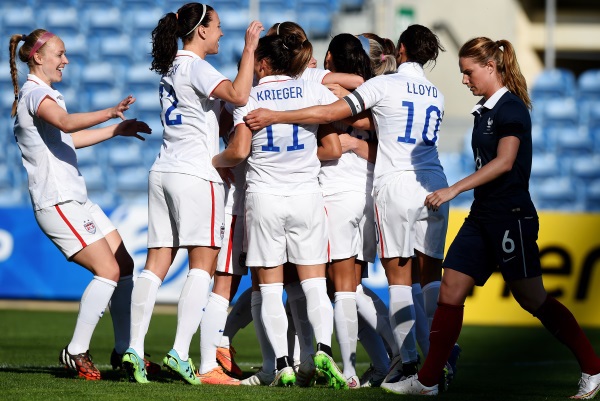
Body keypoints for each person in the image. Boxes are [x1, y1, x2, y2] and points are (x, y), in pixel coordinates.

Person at [380, 37, 600, 398]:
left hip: (510, 217)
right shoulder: (484, 110)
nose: (465, 80)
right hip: (483, 215)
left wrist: (454, 189)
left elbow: (505, 161)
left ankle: (593, 367)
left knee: (532, 299)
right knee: (450, 286)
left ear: (490, 67)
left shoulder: (511, 108)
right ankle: (429, 381)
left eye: (468, 73)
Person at [243, 23, 450, 385]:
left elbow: (327, 118)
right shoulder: (434, 93)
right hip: (417, 185)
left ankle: (368, 367)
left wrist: (277, 115)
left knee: (349, 286)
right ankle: (436, 355)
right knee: (420, 280)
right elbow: (378, 127)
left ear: (401, 49)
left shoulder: (370, 87)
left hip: (352, 192)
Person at [121, 3, 263, 385]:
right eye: (216, 27)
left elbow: (212, 111)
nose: (220, 34)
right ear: (200, 31)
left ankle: (134, 347)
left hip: (163, 169)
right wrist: (250, 50)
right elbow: (237, 94)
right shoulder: (197, 66)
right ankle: (180, 352)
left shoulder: (171, 68)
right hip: (196, 175)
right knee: (203, 263)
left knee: (155, 264)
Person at [9, 29, 151, 380]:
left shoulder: (44, 94)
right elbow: (66, 122)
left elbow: (68, 138)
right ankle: (75, 350)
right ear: (38, 58)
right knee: (109, 271)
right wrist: (110, 112)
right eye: (60, 54)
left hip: (76, 198)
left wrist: (115, 131)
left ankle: (122, 351)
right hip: (57, 201)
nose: (66, 60)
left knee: (124, 264)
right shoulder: (35, 93)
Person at [212, 32, 348, 389]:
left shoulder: (250, 96)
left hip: (264, 197)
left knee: (269, 289)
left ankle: (282, 366)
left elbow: (239, 152)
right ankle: (321, 350)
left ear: (262, 63)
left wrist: (215, 160)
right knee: (315, 283)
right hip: (306, 195)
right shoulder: (313, 90)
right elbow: (332, 145)